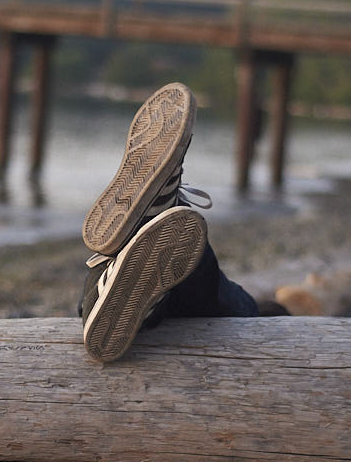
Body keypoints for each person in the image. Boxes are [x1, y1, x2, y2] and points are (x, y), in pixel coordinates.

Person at [78, 82, 274, 363]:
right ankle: (111, 287)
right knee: (216, 296)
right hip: (221, 310)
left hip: (239, 308)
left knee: (231, 300)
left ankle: (159, 211)